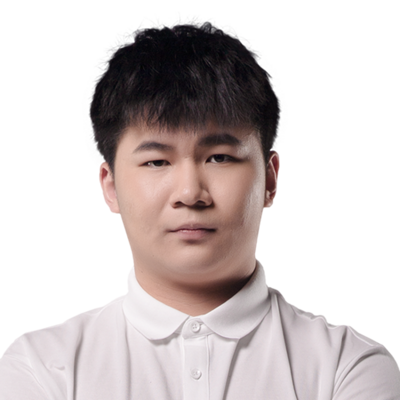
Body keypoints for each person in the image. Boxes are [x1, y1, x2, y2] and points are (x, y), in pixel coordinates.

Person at [1, 13, 399, 400]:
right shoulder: (41, 367)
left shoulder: (348, 365)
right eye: (157, 161)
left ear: (271, 179)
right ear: (109, 185)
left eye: (220, 157)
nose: (190, 193)